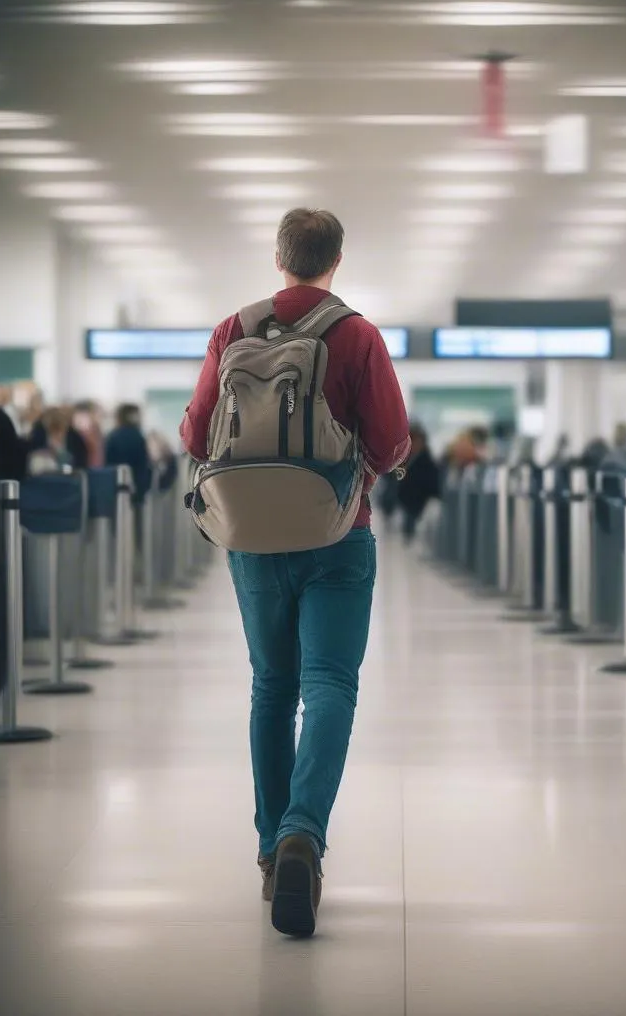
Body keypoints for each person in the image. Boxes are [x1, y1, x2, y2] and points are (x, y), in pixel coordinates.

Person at [180, 207, 410, 938]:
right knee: (330, 684)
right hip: (339, 533)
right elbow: (393, 441)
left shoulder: (232, 330)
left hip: (252, 536)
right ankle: (303, 831)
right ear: (335, 259)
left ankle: (270, 850)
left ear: (279, 259)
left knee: (272, 689)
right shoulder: (357, 334)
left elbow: (194, 432)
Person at [397, 424, 440, 543]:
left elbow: (431, 481)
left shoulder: (426, 461)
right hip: (409, 500)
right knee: (408, 530)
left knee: (414, 530)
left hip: (419, 501)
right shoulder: (408, 458)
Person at [105, 403, 152, 503]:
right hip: (136, 487)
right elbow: (142, 463)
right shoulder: (138, 436)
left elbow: (107, 462)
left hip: (114, 486)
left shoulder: (112, 436)